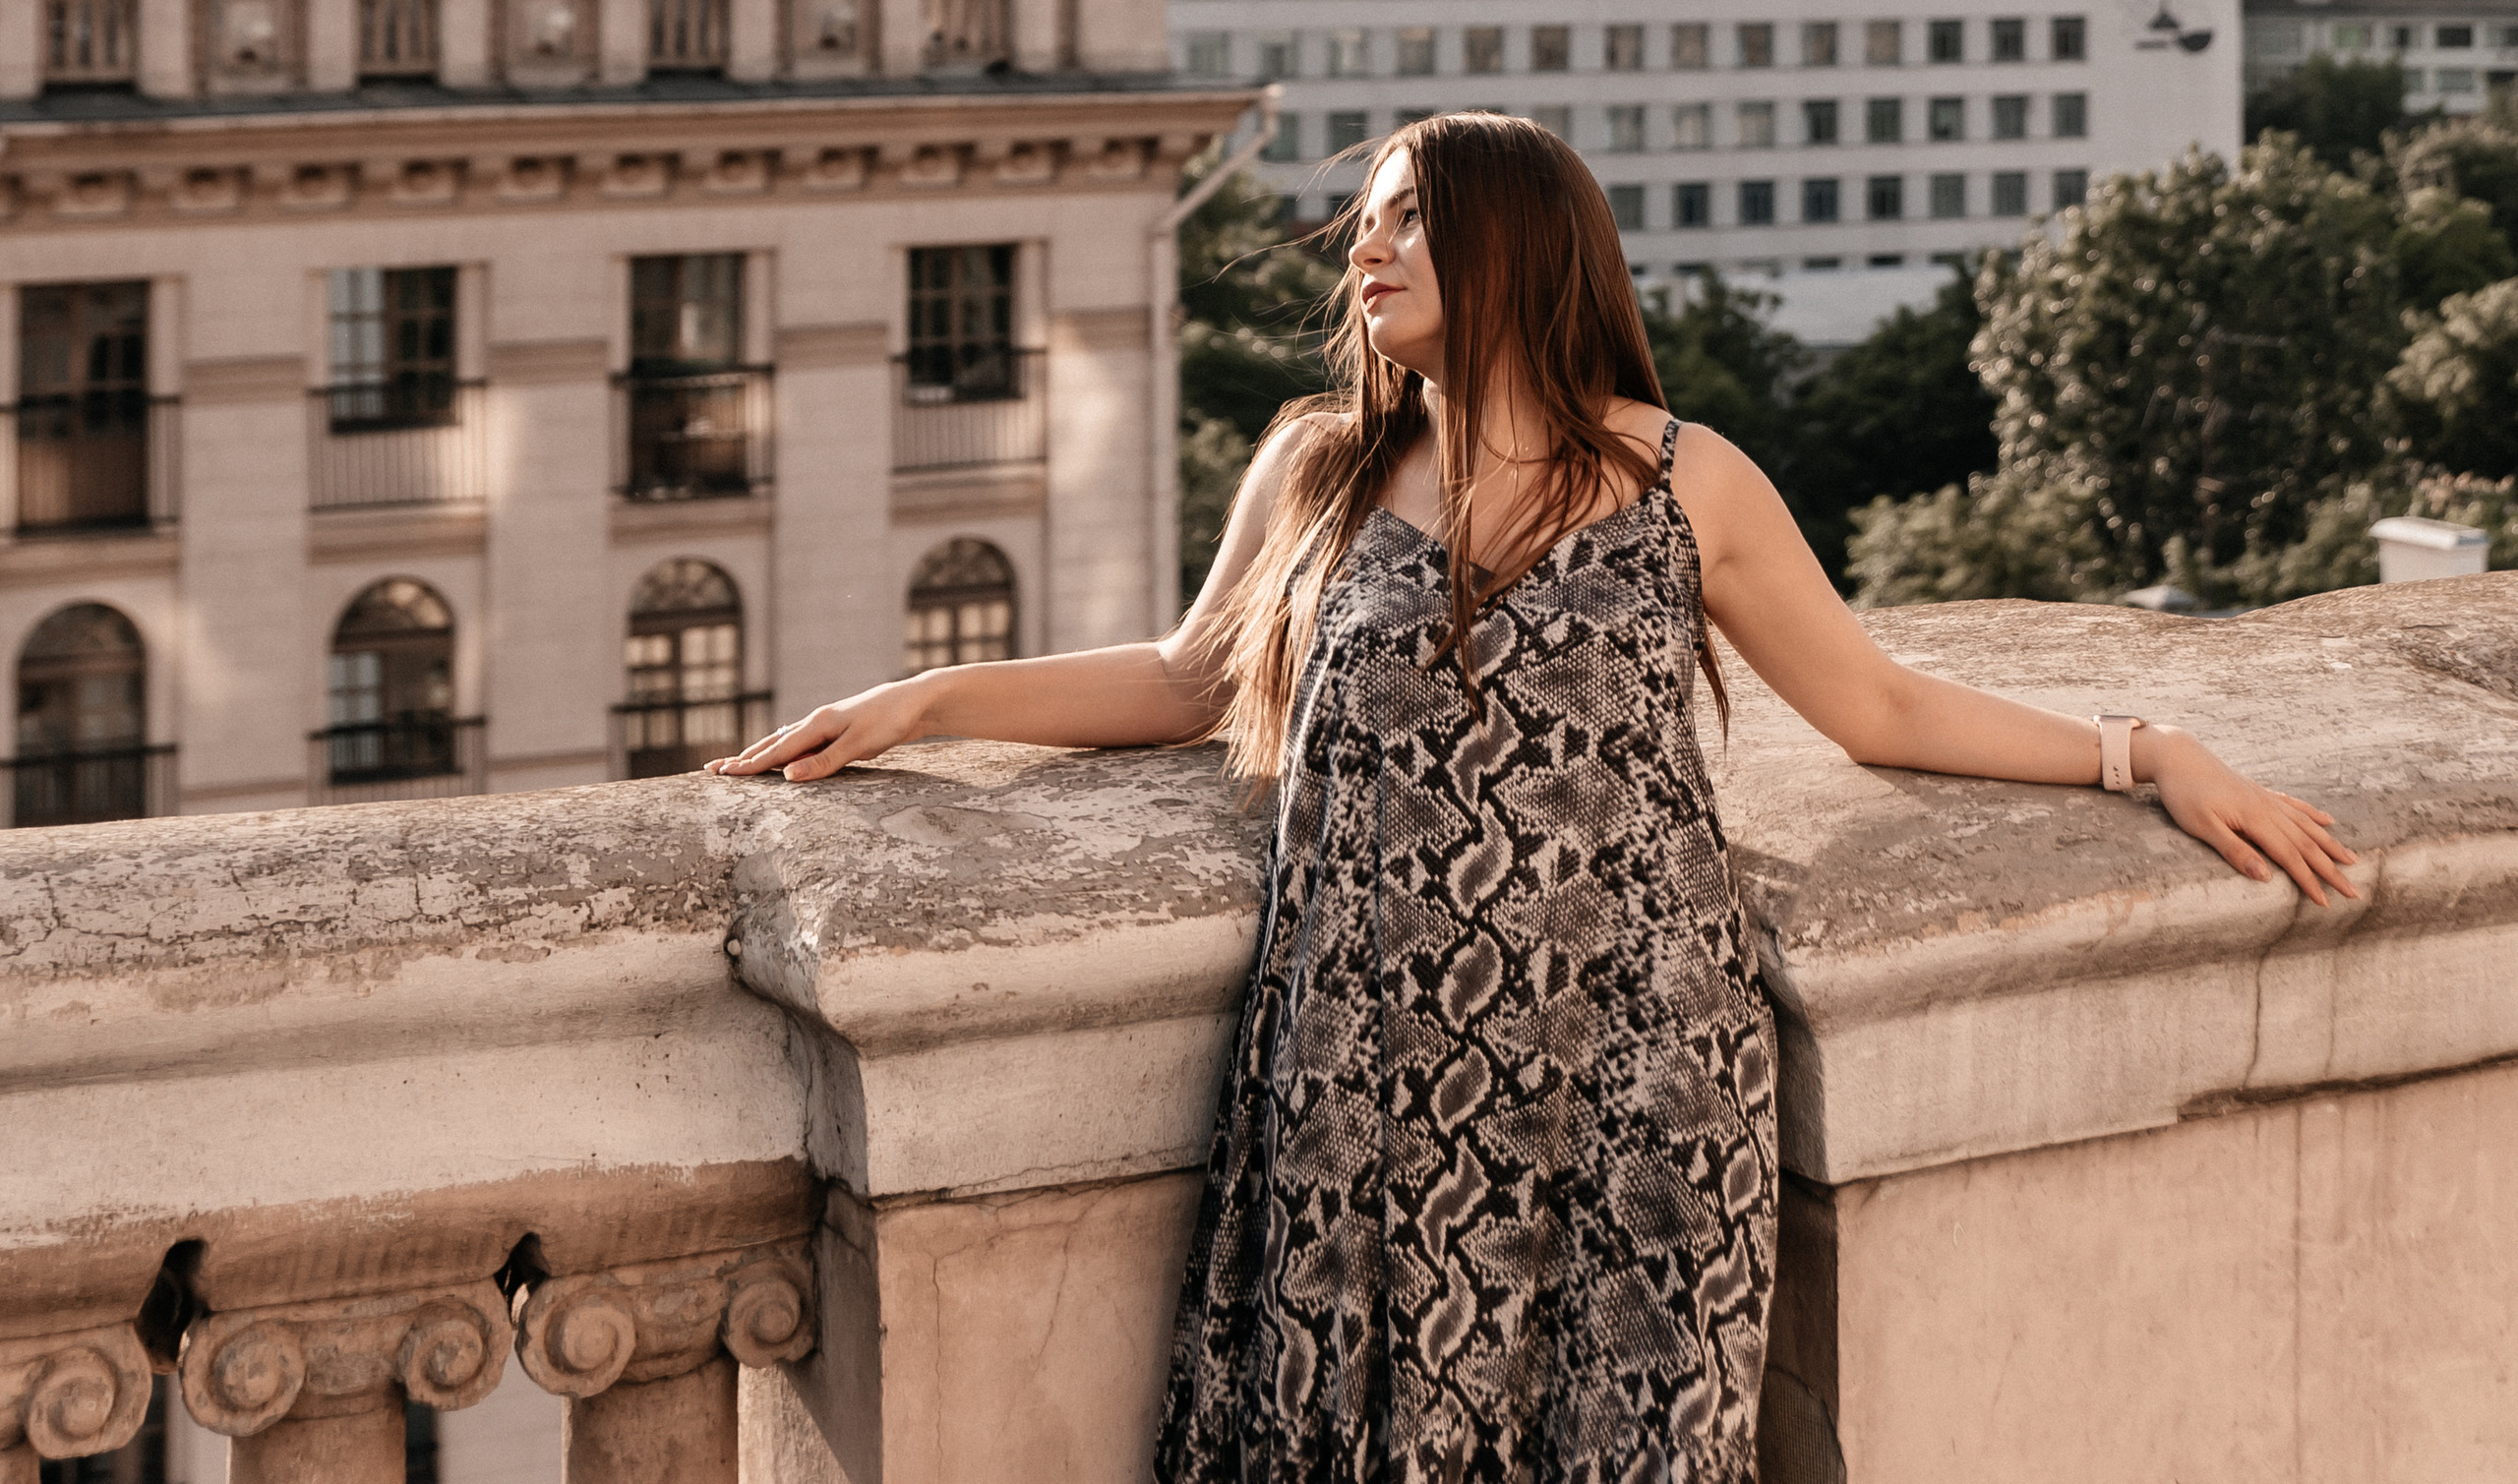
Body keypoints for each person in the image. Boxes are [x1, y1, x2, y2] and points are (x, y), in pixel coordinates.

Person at [710, 114, 2355, 1481]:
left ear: (1515, 245)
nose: (1364, 252)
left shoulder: (1683, 477)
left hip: (1640, 1080)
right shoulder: (1321, 467)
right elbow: (1187, 678)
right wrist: (923, 701)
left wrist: (2146, 751)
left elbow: (1879, 706)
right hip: (1360, 1086)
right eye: (1363, 222)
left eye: (1407, 219)